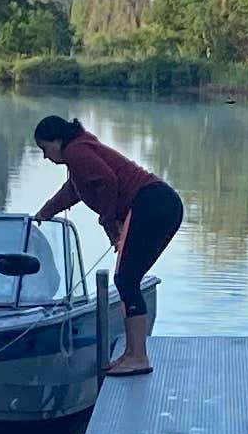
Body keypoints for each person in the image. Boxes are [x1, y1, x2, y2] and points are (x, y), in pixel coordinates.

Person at [29, 115, 185, 377]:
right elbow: (74, 190)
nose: (46, 157)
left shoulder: (76, 151)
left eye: (45, 148)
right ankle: (133, 353)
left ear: (57, 141)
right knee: (128, 279)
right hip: (159, 203)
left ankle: (139, 357)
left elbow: (108, 182)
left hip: (151, 203)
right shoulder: (79, 152)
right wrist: (45, 213)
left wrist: (109, 220)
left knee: (126, 279)